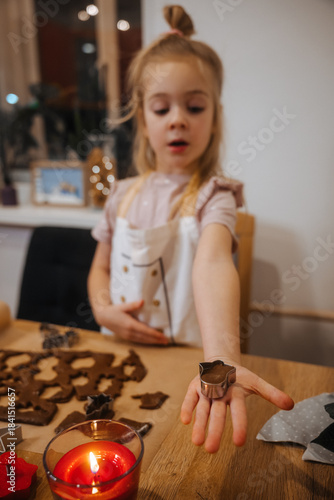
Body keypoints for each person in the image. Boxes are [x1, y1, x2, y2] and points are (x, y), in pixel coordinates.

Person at [88, 4, 294, 453]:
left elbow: (214, 261)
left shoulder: (214, 196)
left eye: (194, 106)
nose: (178, 118)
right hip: (119, 361)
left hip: (188, 372)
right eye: (161, 108)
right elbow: (99, 269)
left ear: (214, 117)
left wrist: (221, 360)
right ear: (143, 119)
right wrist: (103, 310)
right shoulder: (120, 195)